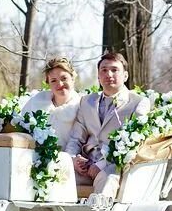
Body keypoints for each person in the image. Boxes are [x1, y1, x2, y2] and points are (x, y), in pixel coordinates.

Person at [65, 51, 152, 199]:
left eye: (114, 70)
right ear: (98, 76)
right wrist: (73, 159)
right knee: (59, 174)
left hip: (113, 166)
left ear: (125, 75)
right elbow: (75, 138)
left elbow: (134, 144)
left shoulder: (138, 103)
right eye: (104, 70)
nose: (108, 74)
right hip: (85, 165)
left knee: (108, 178)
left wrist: (101, 165)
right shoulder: (87, 102)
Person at [21, 56, 81, 149]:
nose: (60, 84)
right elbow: (22, 129)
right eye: (53, 80)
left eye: (64, 78)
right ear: (48, 83)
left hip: (71, 159)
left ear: (72, 78)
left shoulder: (82, 105)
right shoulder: (37, 101)